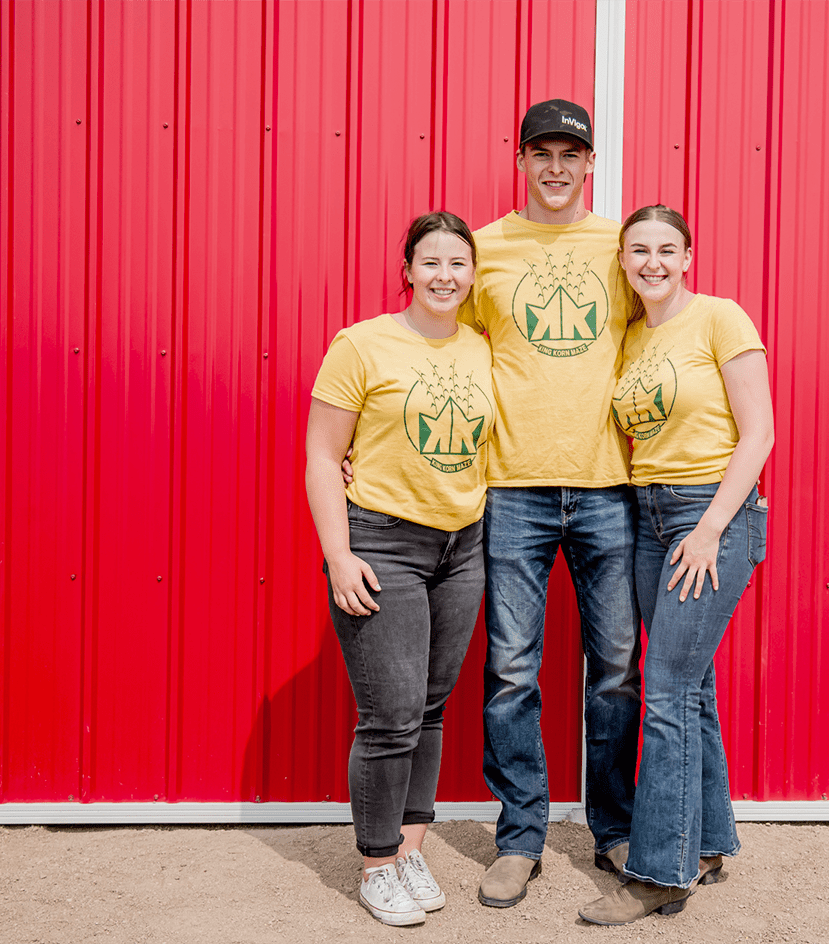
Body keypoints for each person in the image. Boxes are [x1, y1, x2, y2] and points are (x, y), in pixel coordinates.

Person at [461, 99, 642, 908]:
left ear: (590, 164)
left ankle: (614, 827)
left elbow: (664, 335)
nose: (557, 168)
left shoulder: (620, 246)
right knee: (510, 670)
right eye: (544, 153)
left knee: (615, 669)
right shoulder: (484, 248)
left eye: (572, 154)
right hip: (512, 488)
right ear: (523, 160)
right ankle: (520, 835)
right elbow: (451, 349)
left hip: (607, 484)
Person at [579, 205, 774, 925]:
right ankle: (711, 840)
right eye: (639, 251)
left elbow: (759, 432)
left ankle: (662, 870)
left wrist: (711, 528)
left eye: (666, 249)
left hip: (709, 512)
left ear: (688, 256)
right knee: (689, 687)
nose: (652, 262)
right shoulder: (629, 336)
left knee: (663, 688)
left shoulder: (722, 318)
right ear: (624, 261)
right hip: (646, 514)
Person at [305, 212, 494, 926]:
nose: (446, 276)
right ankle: (377, 862)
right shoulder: (361, 345)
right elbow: (324, 456)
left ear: (473, 275)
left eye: (458, 263)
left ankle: (410, 847)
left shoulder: (481, 349)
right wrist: (339, 553)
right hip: (383, 543)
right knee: (389, 716)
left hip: (462, 546)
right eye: (431, 262)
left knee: (431, 707)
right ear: (407, 269)